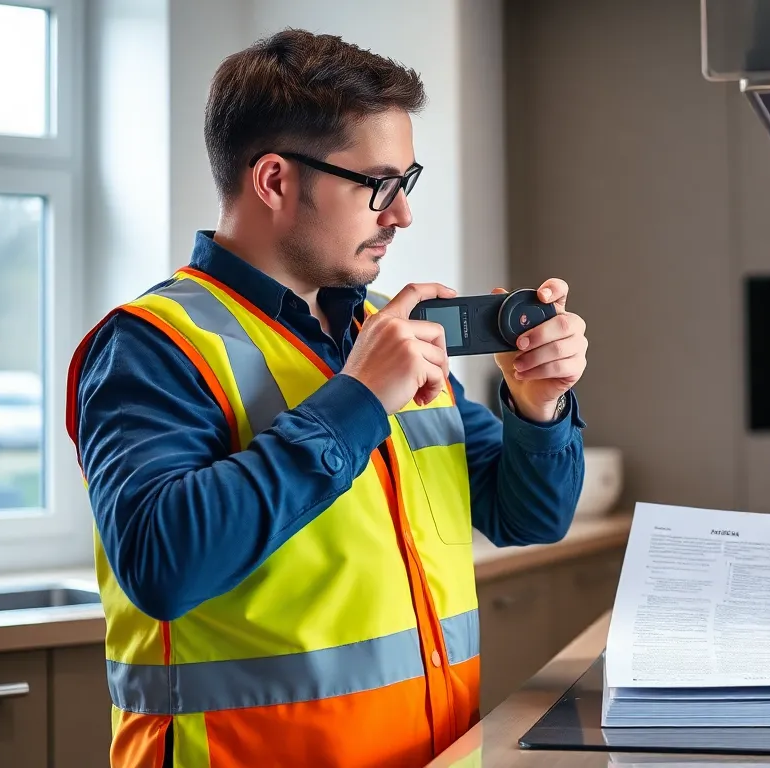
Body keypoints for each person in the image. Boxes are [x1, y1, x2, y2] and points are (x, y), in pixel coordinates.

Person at [65, 28, 588, 768]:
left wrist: (538, 407)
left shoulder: (382, 333)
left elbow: (528, 515)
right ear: (275, 180)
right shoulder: (152, 346)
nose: (401, 215)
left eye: (408, 183)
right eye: (378, 185)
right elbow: (160, 563)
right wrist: (356, 402)